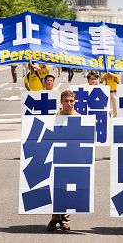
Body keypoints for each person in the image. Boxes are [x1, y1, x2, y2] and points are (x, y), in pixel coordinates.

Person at [47, 89, 79, 232]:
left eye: (71, 101)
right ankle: (55, 218)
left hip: (72, 157)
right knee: (55, 187)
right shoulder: (54, 118)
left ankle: (65, 219)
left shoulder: (79, 118)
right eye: (66, 100)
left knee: (68, 188)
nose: (69, 103)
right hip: (56, 157)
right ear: (61, 102)